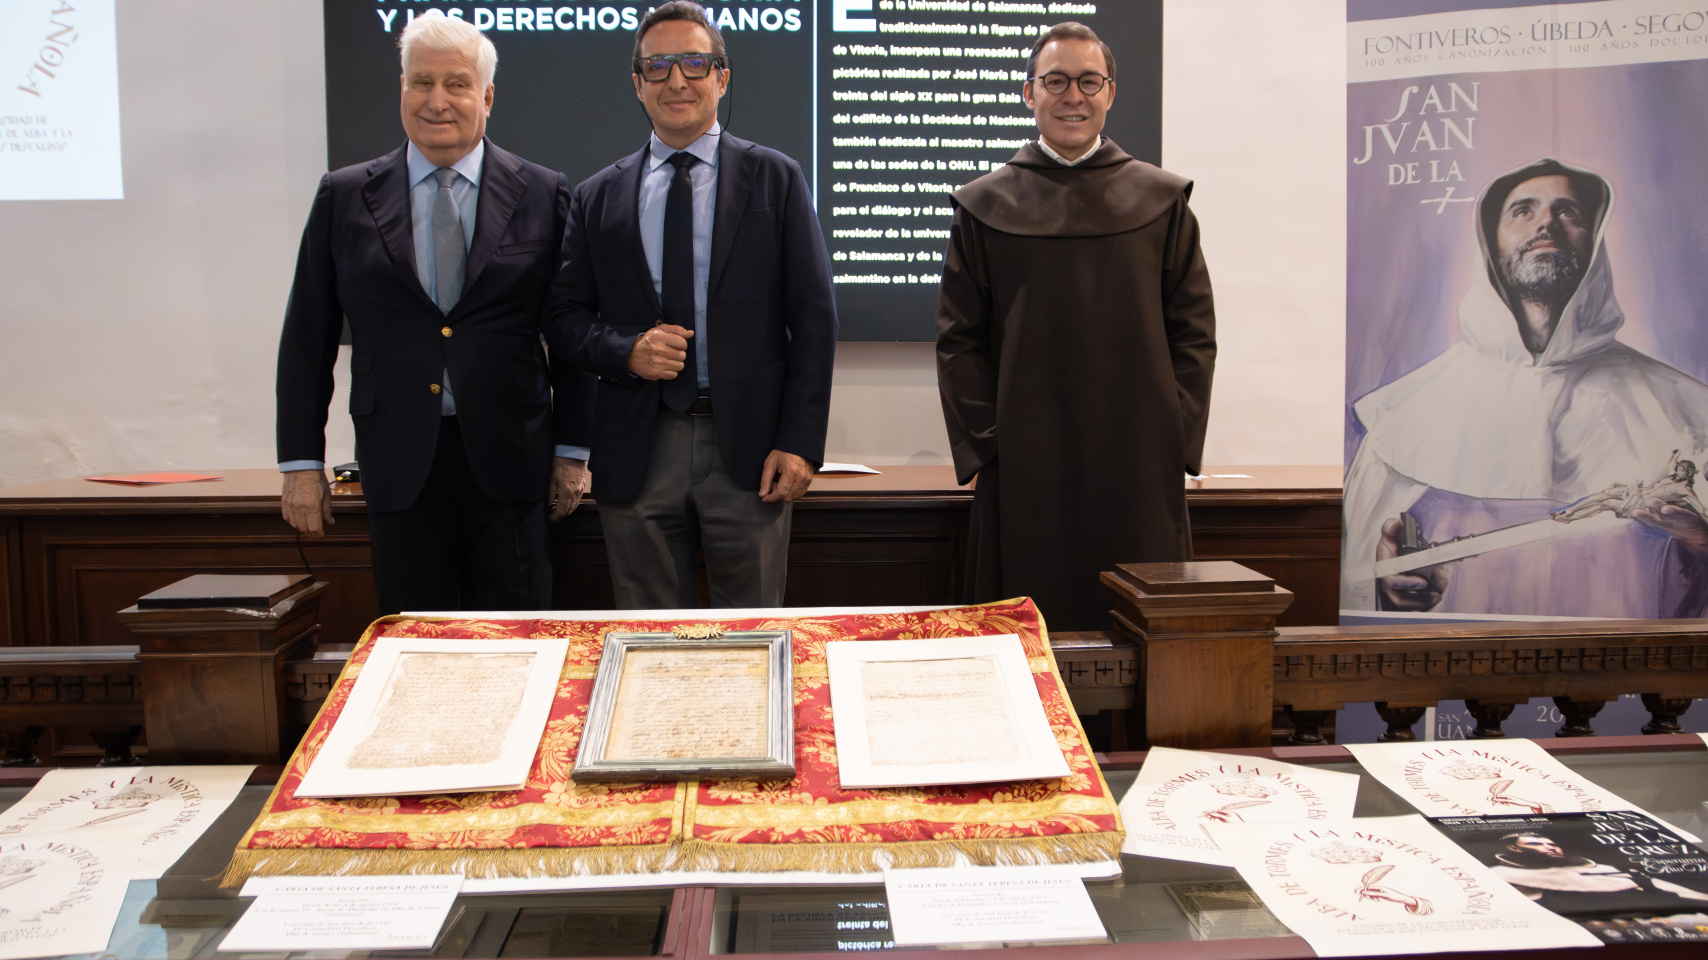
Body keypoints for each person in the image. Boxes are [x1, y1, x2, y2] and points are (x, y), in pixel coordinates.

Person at [275, 14, 592, 615]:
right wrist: (301, 463)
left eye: (457, 84)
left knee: (516, 641)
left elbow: (572, 332)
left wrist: (573, 450)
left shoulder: (543, 192)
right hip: (398, 461)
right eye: (421, 82)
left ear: (487, 96)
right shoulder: (344, 196)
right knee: (410, 639)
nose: (437, 101)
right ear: (402, 89)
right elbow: (306, 338)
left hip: (512, 461)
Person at [544, 1, 836, 609]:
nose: (677, 80)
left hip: (750, 450)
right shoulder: (599, 196)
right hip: (637, 445)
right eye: (658, 66)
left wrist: (801, 441)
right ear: (638, 84)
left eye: (694, 63)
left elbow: (813, 319)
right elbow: (564, 319)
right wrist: (626, 351)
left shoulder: (776, 178)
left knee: (752, 637)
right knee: (650, 639)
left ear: (721, 78)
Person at [935, 21, 1216, 631]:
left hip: (1138, 462)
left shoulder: (1162, 202)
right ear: (1029, 93)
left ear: (1110, 93)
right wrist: (989, 445)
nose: (1073, 96)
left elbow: (1194, 333)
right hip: (1025, 465)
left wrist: (1171, 436)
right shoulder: (983, 206)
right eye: (1056, 81)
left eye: (1089, 82)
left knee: (1140, 637)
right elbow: (959, 339)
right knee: (1029, 638)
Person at [1343, 159, 1708, 618]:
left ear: (1595, 238)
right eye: (1523, 211)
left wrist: (1701, 545)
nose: (1546, 224)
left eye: (1569, 212)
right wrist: (1387, 585)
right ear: (1489, 241)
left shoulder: (1688, 412)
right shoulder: (1404, 416)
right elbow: (1360, 572)